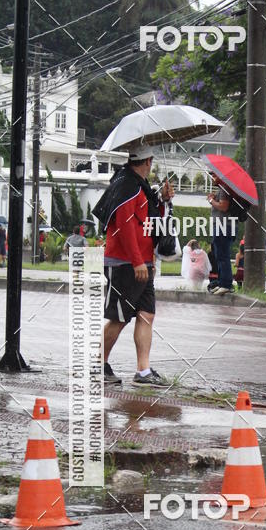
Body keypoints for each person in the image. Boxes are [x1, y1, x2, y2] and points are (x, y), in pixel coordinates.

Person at [94, 145, 174, 386]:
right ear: (148, 161)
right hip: (126, 264)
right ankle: (98, 366)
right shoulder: (126, 185)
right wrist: (138, 261)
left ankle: (143, 371)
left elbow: (148, 221)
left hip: (143, 263)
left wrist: (163, 201)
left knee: (146, 315)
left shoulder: (139, 186)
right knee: (119, 318)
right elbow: (125, 226)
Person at [208, 182, 235, 294]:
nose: (212, 178)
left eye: (214, 175)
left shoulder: (225, 188)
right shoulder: (224, 189)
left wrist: (211, 200)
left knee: (222, 255)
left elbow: (223, 206)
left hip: (223, 226)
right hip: (224, 225)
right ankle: (222, 282)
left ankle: (226, 284)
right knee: (219, 255)